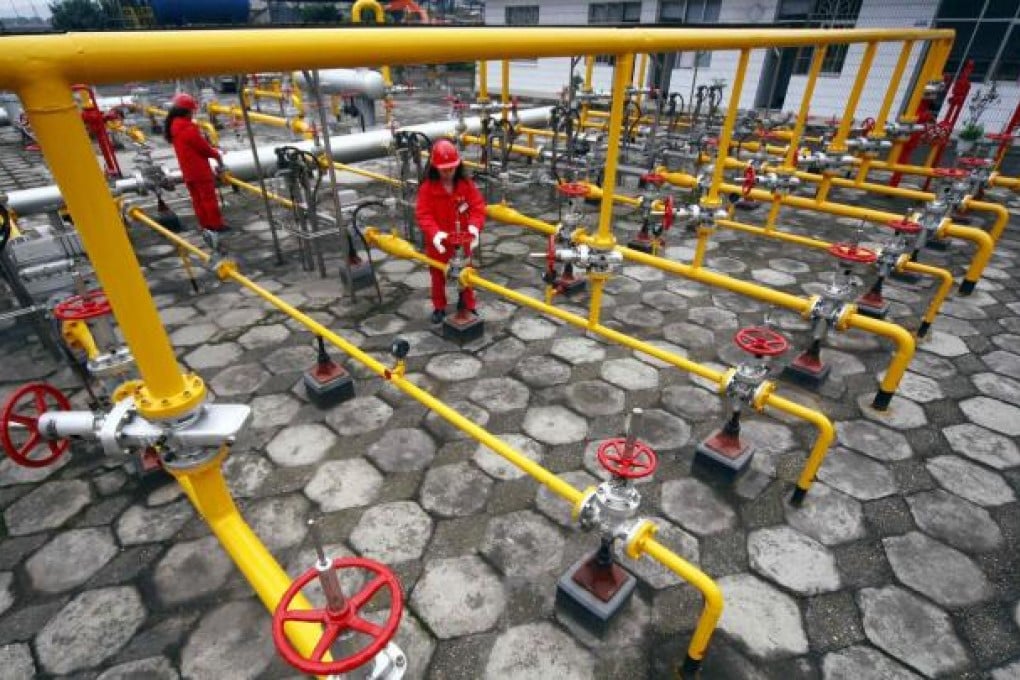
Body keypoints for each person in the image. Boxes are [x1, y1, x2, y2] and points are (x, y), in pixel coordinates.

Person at [415, 139, 485, 324]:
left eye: (451, 168)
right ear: (434, 167)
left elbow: (477, 207)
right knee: (438, 275)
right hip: (439, 243)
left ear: (458, 165)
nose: (448, 172)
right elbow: (423, 214)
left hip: (462, 241)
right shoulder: (427, 189)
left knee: (466, 273)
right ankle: (439, 307)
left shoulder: (466, 185)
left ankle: (469, 305)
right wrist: (435, 233)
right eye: (443, 169)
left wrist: (473, 228)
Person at [163, 93, 228, 237]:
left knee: (197, 200)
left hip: (188, 171)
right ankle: (217, 225)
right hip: (200, 170)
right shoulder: (188, 128)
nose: (193, 114)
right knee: (209, 199)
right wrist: (218, 156)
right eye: (192, 111)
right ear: (186, 111)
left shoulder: (174, 126)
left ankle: (206, 225)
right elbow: (204, 149)